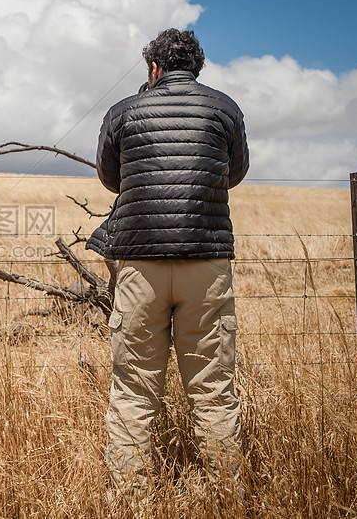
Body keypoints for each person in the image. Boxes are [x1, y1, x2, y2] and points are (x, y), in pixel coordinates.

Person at [95, 28, 249, 488]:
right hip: (206, 260)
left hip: (140, 265)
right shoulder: (223, 108)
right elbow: (235, 172)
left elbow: (109, 176)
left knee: (134, 388)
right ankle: (228, 496)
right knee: (213, 391)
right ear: (195, 68)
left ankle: (130, 499)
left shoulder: (124, 111)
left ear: (154, 69)